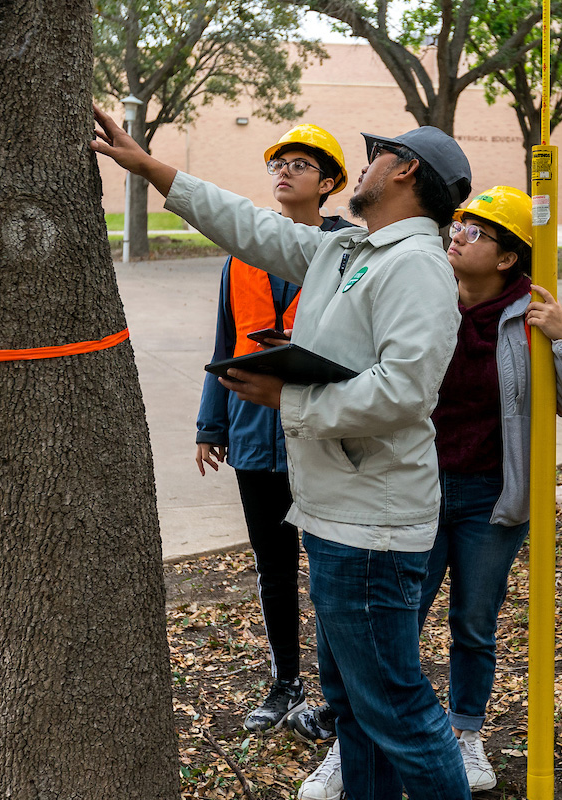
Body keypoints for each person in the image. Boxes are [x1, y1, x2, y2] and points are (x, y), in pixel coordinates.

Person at [92, 106, 475, 800]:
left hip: (370, 532)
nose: (362, 167)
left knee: (398, 710)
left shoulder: (417, 265)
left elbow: (405, 392)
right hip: (337, 520)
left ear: (405, 169)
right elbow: (252, 226)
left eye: (373, 156)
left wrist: (286, 400)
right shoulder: (350, 251)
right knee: (355, 709)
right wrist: (149, 168)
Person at [423, 186, 562, 789]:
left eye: (476, 230)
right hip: (416, 487)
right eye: (459, 223)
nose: (458, 233)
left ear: (505, 258)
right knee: (399, 617)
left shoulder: (532, 313)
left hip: (491, 496)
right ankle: (380, 731)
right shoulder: (424, 296)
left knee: (474, 620)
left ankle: (465, 734)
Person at [195, 124, 353, 733]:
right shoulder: (242, 253)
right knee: (273, 564)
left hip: (320, 432)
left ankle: (336, 700)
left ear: (329, 182)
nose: (284, 172)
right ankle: (285, 682)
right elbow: (224, 344)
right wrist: (212, 425)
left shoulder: (349, 252)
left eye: (300, 164)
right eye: (278, 163)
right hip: (255, 435)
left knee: (330, 566)